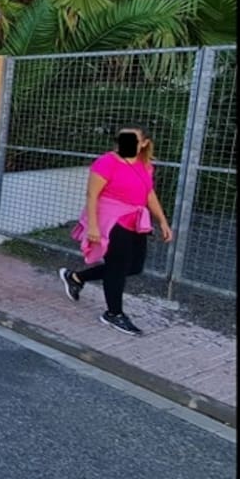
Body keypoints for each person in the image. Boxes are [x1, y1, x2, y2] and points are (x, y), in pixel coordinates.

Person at [60, 125, 173, 336]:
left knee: (134, 267)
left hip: (135, 219)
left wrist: (163, 221)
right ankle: (114, 314)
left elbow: (149, 194)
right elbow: (92, 195)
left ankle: (76, 277)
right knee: (118, 266)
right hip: (111, 219)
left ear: (144, 143)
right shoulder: (107, 162)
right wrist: (93, 226)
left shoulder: (144, 165)